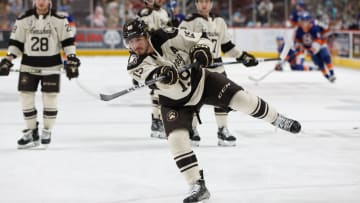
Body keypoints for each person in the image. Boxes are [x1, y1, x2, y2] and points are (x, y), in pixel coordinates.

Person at [123, 18, 301, 203]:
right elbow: (150, 77)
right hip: (175, 102)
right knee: (176, 140)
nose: (135, 45)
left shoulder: (168, 35)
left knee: (243, 100)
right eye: (131, 41)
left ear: (146, 35)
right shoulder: (134, 63)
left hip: (202, 82)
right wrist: (162, 75)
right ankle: (197, 185)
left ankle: (277, 119)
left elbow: (203, 38)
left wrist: (201, 51)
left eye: (138, 39)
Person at [0, 0, 80, 149]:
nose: (41, 2)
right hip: (28, 66)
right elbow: (16, 43)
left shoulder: (60, 19)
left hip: (52, 66)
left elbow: (68, 42)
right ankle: (32, 131)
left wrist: (72, 59)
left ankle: (47, 130)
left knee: (50, 99)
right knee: (26, 98)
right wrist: (7, 60)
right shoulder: (23, 19)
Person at [179, 0, 257, 147]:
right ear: (196, 3)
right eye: (201, 1)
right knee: (194, 100)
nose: (204, 5)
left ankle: (222, 130)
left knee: (224, 99)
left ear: (211, 3)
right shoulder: (188, 22)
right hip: (199, 69)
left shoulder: (219, 22)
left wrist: (242, 56)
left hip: (218, 68)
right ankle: (192, 129)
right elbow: (180, 45)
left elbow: (227, 46)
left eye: (207, 1)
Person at [137, 0, 171, 139]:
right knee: (157, 87)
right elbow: (142, 34)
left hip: (164, 52)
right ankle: (156, 120)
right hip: (151, 53)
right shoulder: (145, 13)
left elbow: (168, 31)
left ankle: (158, 120)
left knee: (163, 87)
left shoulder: (163, 12)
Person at [294, 12, 336, 82]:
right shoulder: (299, 29)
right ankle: (327, 76)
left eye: (305, 21)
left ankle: (332, 73)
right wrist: (299, 48)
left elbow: (318, 40)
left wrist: (312, 50)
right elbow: (298, 41)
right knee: (319, 64)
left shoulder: (314, 27)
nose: (303, 23)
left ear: (309, 21)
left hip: (319, 44)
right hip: (310, 47)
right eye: (302, 21)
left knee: (326, 56)